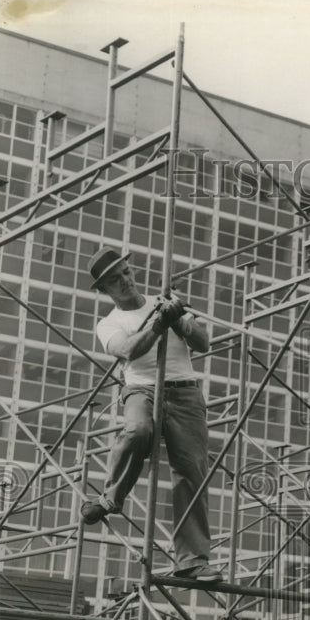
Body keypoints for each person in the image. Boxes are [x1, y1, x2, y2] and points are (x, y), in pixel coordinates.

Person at [80, 246, 221, 581]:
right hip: (142, 389)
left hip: (185, 391)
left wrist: (179, 321)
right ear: (104, 290)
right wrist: (160, 323)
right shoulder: (109, 323)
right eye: (115, 280)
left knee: (191, 472)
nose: (125, 281)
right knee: (138, 431)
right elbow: (129, 350)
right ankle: (111, 497)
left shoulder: (166, 302)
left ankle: (191, 560)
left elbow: (203, 343)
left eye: (126, 272)